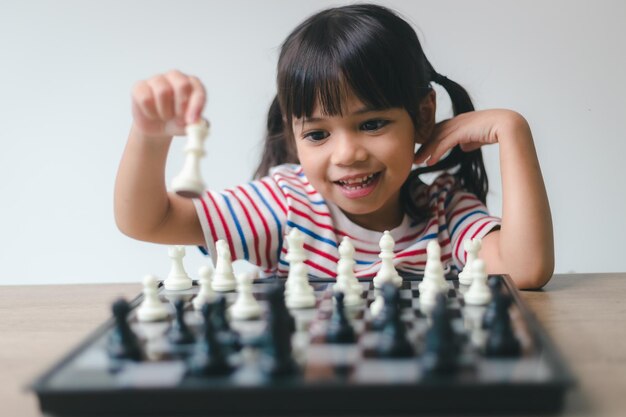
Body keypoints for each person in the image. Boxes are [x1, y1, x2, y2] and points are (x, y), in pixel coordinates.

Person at [114, 4, 553, 289]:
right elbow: (150, 221)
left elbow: (526, 269)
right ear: (293, 135)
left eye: (372, 123)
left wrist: (513, 131)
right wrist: (151, 136)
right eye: (318, 134)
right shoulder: (285, 205)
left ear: (422, 116)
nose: (346, 154)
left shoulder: (444, 211)